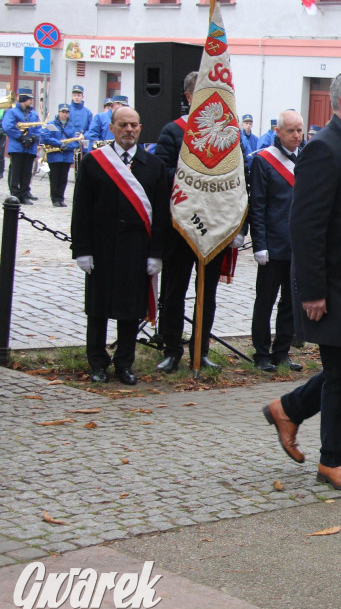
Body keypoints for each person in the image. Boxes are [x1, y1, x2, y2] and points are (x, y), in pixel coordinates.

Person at [261, 68, 341, 493]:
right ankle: (333, 462)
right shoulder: (324, 149)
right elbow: (306, 227)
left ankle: (289, 408)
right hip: (331, 286)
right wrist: (311, 290)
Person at [70, 106, 168, 385]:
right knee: (98, 309)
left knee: (130, 309)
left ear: (140, 128)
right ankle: (97, 363)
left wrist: (156, 254)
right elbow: (81, 209)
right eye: (123, 125)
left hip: (137, 247)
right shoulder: (94, 162)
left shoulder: (154, 166)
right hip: (102, 245)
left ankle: (124, 363)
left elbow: (161, 215)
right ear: (111, 128)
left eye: (134, 125)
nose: (129, 130)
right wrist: (82, 250)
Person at [153, 71, 235, 373]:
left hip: (213, 227)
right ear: (189, 96)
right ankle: (172, 350)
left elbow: (235, 178)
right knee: (174, 292)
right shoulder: (172, 132)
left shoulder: (226, 132)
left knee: (207, 293)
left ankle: (200, 351)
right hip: (180, 227)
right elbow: (161, 178)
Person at [249, 110, 305, 372]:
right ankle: (261, 354)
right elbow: (257, 205)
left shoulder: (305, 158)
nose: (296, 136)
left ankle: (281, 352)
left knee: (291, 302)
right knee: (265, 301)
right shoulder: (263, 161)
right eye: (291, 131)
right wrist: (259, 244)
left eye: (299, 131)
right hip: (272, 246)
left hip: (298, 245)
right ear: (278, 133)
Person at [2, 88, 41, 203]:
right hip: (17, 147)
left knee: (26, 172)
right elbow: (8, 126)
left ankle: (24, 193)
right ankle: (15, 193)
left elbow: (38, 128)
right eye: (30, 99)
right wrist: (21, 137)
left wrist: (33, 138)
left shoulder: (33, 113)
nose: (31, 101)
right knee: (16, 171)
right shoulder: (12, 112)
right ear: (24, 99)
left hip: (30, 147)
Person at [41, 104, 81, 207]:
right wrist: (60, 144)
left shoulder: (71, 127)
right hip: (54, 156)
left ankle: (61, 198)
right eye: (63, 112)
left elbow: (76, 142)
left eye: (67, 112)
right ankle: (55, 198)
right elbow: (46, 137)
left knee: (63, 178)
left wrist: (67, 147)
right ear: (59, 112)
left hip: (66, 156)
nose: (64, 114)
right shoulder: (51, 124)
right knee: (55, 178)